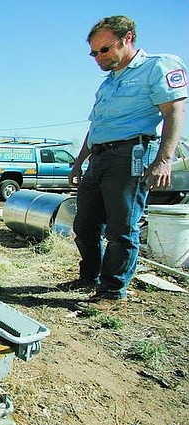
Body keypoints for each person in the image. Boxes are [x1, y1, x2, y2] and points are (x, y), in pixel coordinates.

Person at [65, 15, 187, 310]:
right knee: (84, 224)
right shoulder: (108, 84)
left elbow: (174, 113)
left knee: (121, 227)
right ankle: (90, 277)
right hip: (99, 157)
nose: (98, 58)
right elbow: (95, 128)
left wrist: (163, 160)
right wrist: (79, 162)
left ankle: (111, 291)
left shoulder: (157, 66)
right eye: (93, 53)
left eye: (104, 50)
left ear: (127, 38)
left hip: (130, 155)